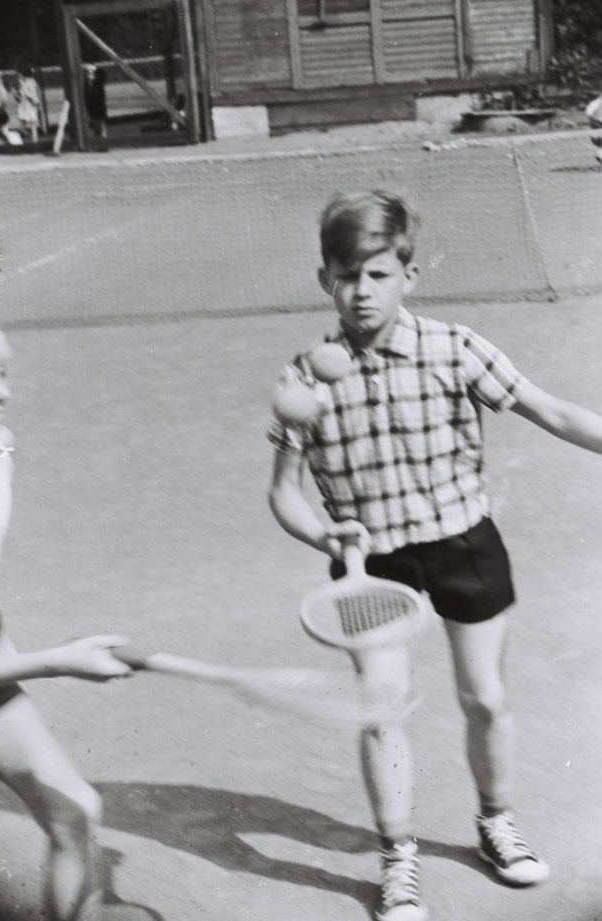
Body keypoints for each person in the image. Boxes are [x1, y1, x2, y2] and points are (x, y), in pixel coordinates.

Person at [267, 189, 602, 920]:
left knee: (484, 697)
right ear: (325, 278)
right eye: (347, 275)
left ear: (406, 277)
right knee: (382, 710)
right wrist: (323, 534)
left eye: (378, 275)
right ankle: (398, 861)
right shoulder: (302, 380)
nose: (362, 292)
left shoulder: (455, 347)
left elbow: (549, 410)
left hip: (462, 542)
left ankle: (495, 822)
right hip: (371, 566)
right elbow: (285, 495)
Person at [0, 309, 132, 920]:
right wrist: (57, 663)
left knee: (75, 812)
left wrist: (12, 661)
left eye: (1, 374)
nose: (3, 391)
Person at [83, 64, 108, 147]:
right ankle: (99, 143)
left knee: (101, 125)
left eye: (90, 73)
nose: (88, 75)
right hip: (91, 108)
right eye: (87, 73)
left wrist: (94, 69)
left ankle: (103, 144)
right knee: (96, 126)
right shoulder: (86, 83)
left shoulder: (99, 82)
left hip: (100, 107)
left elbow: (102, 74)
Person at [16, 65, 42, 143]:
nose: (19, 76)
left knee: (30, 123)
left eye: (20, 74)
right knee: (27, 123)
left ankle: (34, 138)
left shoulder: (27, 82)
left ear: (24, 74)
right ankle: (33, 137)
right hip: (26, 104)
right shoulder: (30, 81)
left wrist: (34, 101)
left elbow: (29, 94)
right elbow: (37, 91)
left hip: (28, 104)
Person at [586, 94, 602, 165]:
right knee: (599, 143)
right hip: (597, 124)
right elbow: (589, 115)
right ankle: (600, 155)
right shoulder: (594, 104)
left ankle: (600, 155)